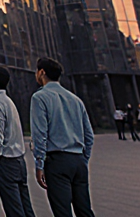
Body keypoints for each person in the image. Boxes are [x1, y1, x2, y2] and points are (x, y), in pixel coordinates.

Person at [30, 58, 95, 217]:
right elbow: (89, 135)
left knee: (62, 212)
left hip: (57, 161)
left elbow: (40, 134)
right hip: (78, 160)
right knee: (84, 210)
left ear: (42, 72)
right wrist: (83, 159)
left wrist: (39, 164)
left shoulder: (40, 98)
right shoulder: (75, 99)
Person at [0, 66, 35, 217]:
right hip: (19, 161)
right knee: (26, 207)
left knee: (14, 210)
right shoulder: (9, 102)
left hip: (5, 163)